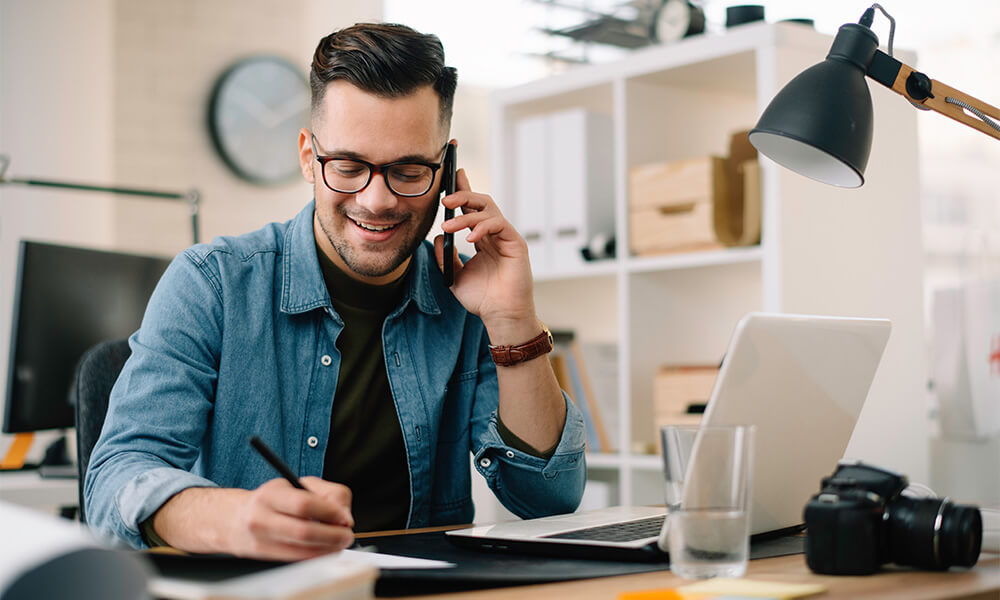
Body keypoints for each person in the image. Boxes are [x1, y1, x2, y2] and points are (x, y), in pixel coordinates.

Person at [85, 22, 586, 561]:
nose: (376, 200)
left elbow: (549, 498)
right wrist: (232, 519)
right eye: (348, 166)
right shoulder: (212, 284)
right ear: (308, 156)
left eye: (408, 169)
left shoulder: (468, 297)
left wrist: (512, 319)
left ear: (444, 169)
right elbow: (114, 483)